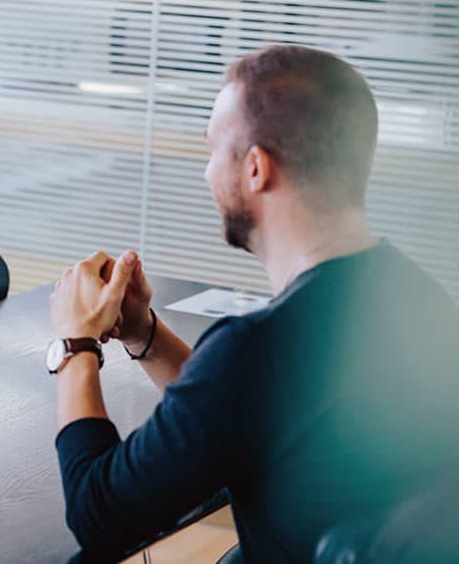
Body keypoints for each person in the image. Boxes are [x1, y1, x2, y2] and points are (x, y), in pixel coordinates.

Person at [46, 45, 459, 561]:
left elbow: (97, 513)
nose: (205, 173)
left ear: (256, 168)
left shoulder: (258, 348)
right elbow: (244, 415)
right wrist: (144, 333)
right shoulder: (421, 298)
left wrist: (74, 343)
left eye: (213, 149)